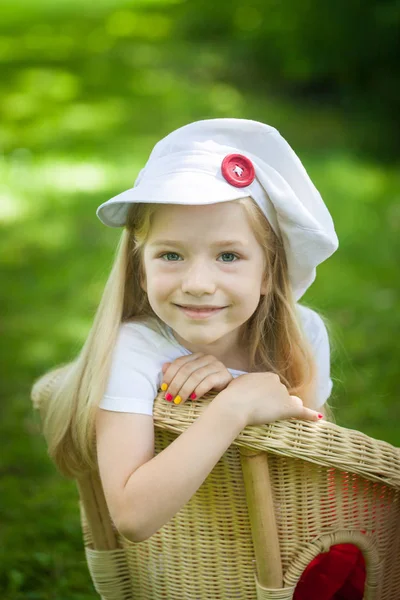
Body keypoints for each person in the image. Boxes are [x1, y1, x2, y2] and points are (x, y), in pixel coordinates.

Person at [36, 118, 339, 544]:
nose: (198, 283)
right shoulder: (134, 347)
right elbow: (133, 516)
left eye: (229, 256)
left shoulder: (304, 333)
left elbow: (308, 475)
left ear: (270, 273)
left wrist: (251, 387)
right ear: (141, 271)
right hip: (195, 555)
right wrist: (233, 405)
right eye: (172, 255)